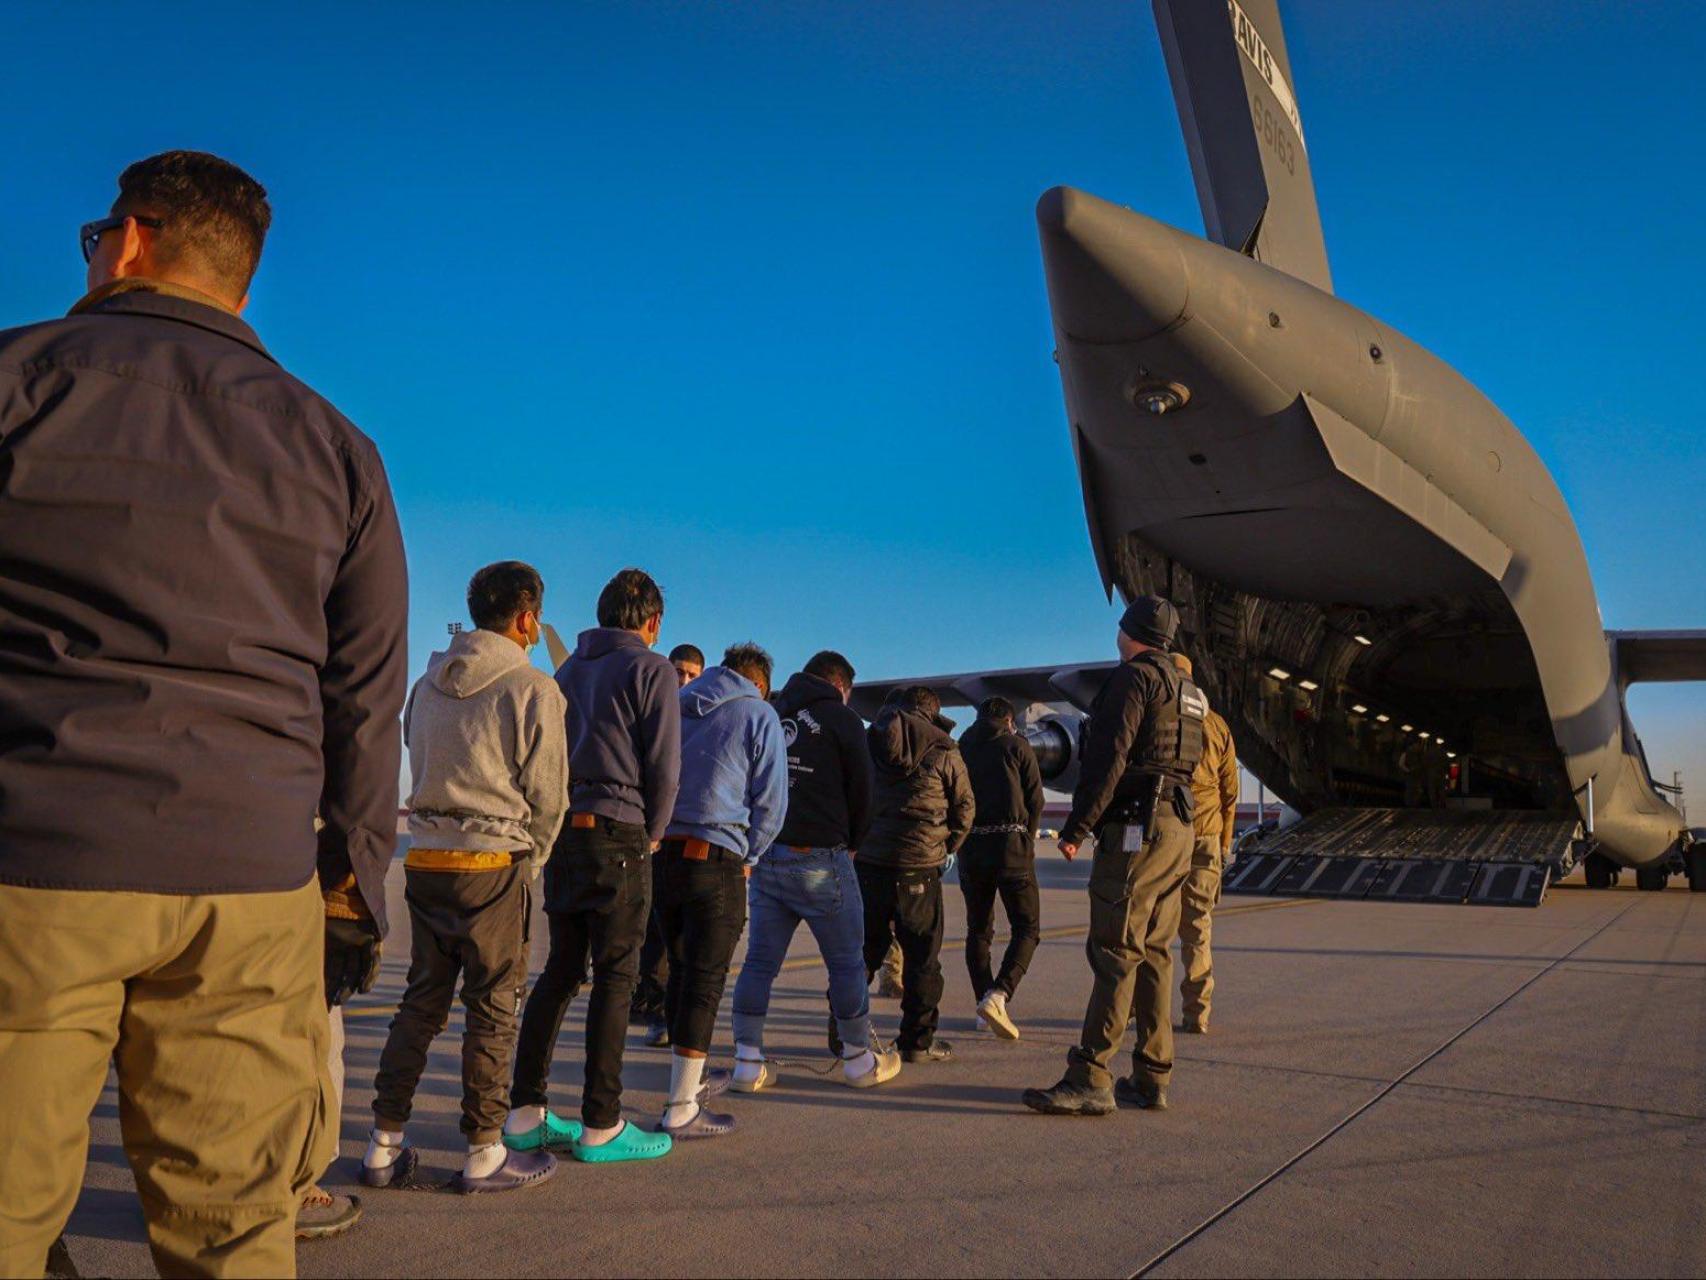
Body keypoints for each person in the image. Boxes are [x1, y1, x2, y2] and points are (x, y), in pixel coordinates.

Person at [0, 151, 406, 1275]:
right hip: (249, 879)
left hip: (37, 853)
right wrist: (351, 884)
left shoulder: (18, 379)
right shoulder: (337, 446)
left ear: (130, 238)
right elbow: (365, 691)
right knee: (233, 1230)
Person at [360, 563, 568, 1194]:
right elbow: (549, 795)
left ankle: (382, 1142)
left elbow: (414, 753)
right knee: (494, 1007)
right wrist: (532, 860)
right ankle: (483, 1148)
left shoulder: (425, 686)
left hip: (426, 860)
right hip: (493, 865)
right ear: (527, 618)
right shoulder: (534, 687)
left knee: (420, 1003)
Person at [505, 569, 678, 1164]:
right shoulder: (651, 669)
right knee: (616, 977)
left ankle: (525, 1112)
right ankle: (601, 1121)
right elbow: (664, 765)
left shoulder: (568, 670)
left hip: (567, 830)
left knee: (560, 971)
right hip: (620, 829)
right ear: (652, 622)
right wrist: (653, 834)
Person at [1023, 596, 1206, 1117]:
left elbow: (1109, 758)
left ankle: (1090, 1077)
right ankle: (1152, 1076)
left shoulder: (1133, 679)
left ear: (1130, 632)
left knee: (1115, 949)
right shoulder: (1190, 693)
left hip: (1136, 829)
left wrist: (1077, 827)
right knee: (1155, 952)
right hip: (1178, 828)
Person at [731, 651, 900, 1091]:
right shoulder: (843, 720)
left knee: (760, 962)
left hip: (768, 856)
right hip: (821, 858)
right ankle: (857, 1059)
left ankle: (747, 1060)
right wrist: (855, 842)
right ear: (841, 686)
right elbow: (864, 791)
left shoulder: (770, 713)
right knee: (845, 963)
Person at [653, 644, 789, 1137]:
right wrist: (750, 855)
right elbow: (772, 802)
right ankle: (681, 1106)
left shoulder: (676, 705)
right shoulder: (759, 714)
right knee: (705, 982)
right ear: (760, 685)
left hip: (665, 855)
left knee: (680, 971)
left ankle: (687, 1080)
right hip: (717, 856)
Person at [858, 687, 974, 1063]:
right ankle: (917, 1042)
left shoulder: (869, 744)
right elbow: (965, 808)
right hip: (920, 869)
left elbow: (851, 796)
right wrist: (945, 847)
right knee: (923, 959)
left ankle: (845, 1034)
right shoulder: (945, 750)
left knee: (862, 954)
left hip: (870, 864)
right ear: (932, 713)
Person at [956, 697, 1045, 1040]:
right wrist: (1027, 838)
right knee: (1027, 927)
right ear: (1009, 720)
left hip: (972, 850)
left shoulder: (962, 748)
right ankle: (999, 994)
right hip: (1011, 849)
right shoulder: (1017, 746)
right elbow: (1036, 800)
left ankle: (983, 1002)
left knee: (979, 930)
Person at [632, 644, 707, 1045]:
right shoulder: (654, 712)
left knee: (679, 937)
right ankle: (652, 1004)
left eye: (693, 675)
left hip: (688, 840)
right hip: (652, 835)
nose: (684, 681)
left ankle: (667, 1011)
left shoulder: (705, 720)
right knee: (650, 930)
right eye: (679, 672)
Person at [1170, 654, 1238, 1035]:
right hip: (1207, 836)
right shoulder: (1217, 725)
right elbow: (1231, 793)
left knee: (1150, 926)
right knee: (1197, 927)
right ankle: (1197, 1012)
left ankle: (1137, 1007)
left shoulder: (1163, 716)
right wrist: (1225, 844)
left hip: (1168, 833)